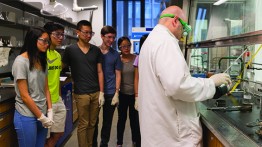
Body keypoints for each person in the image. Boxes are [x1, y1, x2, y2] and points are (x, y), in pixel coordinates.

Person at [138, 6, 231, 146]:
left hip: (159, 133)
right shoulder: (166, 42)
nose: (183, 35)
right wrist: (211, 83)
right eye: (184, 29)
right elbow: (177, 86)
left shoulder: (151, 41)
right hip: (173, 137)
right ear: (176, 21)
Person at [62, 20, 104, 147]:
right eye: (86, 32)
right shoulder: (70, 50)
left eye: (90, 33)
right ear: (78, 32)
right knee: (83, 124)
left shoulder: (96, 50)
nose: (89, 35)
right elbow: (61, 67)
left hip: (96, 92)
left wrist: (101, 92)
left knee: (93, 123)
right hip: (81, 94)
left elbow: (100, 71)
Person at [12, 27, 53, 147]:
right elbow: (24, 96)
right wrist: (41, 117)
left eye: (48, 41)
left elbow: (46, 88)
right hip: (27, 115)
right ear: (33, 40)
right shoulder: (20, 62)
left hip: (43, 113)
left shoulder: (41, 59)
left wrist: (49, 111)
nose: (47, 44)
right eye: (44, 41)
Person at [95, 25, 122, 147]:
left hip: (111, 93)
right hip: (96, 92)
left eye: (113, 38)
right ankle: (92, 143)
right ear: (102, 36)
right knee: (93, 121)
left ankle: (103, 143)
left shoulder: (115, 54)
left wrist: (117, 92)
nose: (111, 40)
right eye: (109, 37)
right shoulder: (94, 52)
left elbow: (118, 74)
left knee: (107, 121)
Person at [43, 22, 67, 147]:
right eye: (57, 34)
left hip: (57, 100)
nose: (61, 37)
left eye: (62, 35)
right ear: (47, 35)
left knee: (58, 133)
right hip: (44, 102)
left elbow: (56, 78)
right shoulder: (41, 55)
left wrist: (59, 96)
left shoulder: (57, 55)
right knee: (44, 137)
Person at [116, 36, 140, 147]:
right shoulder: (118, 59)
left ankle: (135, 141)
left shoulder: (136, 58)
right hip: (122, 94)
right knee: (121, 120)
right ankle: (119, 142)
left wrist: (137, 96)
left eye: (128, 45)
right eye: (123, 46)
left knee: (134, 120)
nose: (126, 48)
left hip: (134, 95)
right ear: (119, 47)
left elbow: (139, 77)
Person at [133, 34, 148, 111]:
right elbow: (136, 78)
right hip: (142, 92)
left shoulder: (156, 57)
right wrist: (136, 96)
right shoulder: (138, 58)